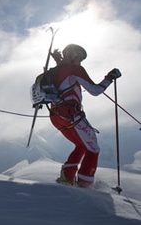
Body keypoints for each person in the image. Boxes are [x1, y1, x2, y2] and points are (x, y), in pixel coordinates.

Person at [49, 44, 121, 188]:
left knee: (81, 146)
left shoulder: (57, 70)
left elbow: (63, 79)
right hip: (71, 115)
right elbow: (95, 90)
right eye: (79, 57)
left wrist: (58, 60)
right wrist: (109, 77)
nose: (80, 62)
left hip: (56, 116)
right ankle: (84, 186)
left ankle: (67, 178)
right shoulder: (75, 70)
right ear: (71, 55)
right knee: (93, 148)